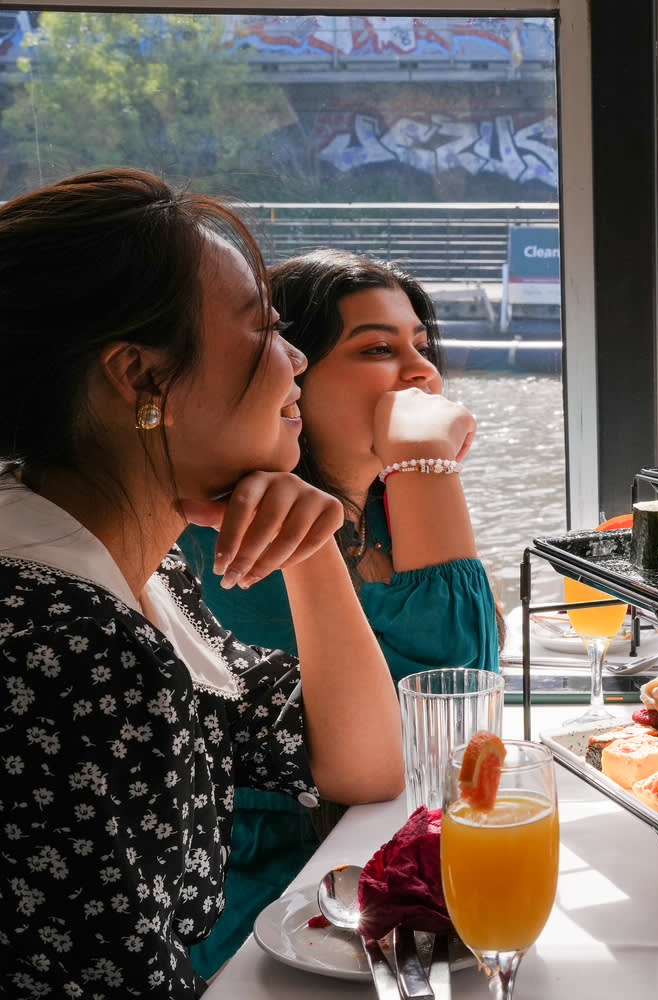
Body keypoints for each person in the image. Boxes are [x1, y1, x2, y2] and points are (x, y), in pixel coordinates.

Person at [0, 168, 402, 998]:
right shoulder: (74, 647)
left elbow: (361, 766)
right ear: (143, 377)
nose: (294, 359)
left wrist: (311, 547)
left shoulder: (129, 568)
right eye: (264, 330)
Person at [180, 248, 499, 976]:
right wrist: (425, 466)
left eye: (421, 345)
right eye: (377, 349)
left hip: (396, 853)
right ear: (290, 374)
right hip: (270, 892)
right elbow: (427, 734)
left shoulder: (390, 511)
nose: (420, 373)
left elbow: (467, 706)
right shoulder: (223, 531)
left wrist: (416, 476)